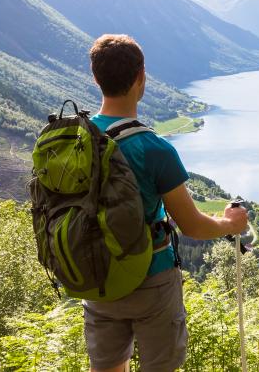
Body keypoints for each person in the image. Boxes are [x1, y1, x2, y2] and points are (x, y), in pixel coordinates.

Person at [84, 34, 248, 372]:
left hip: (96, 277)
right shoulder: (153, 148)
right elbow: (193, 225)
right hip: (151, 278)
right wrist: (232, 224)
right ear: (142, 77)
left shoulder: (76, 139)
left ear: (95, 77)